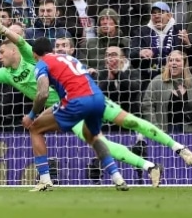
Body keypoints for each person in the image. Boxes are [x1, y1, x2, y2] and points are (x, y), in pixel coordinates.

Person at [0, 11, 192, 187]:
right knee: (98, 140)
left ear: (13, 51)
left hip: (74, 99)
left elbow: (21, 42)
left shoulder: (31, 57)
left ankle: (176, 147)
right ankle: (146, 166)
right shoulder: (6, 74)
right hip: (65, 107)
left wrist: (3, 29)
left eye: (2, 51)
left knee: (129, 123)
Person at [28, 37, 129, 191]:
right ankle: (118, 178)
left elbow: (43, 94)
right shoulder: (69, 58)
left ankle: (45, 181)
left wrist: (31, 115)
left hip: (77, 101)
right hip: (97, 98)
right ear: (52, 50)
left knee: (35, 128)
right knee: (92, 136)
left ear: (35, 55)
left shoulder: (42, 64)